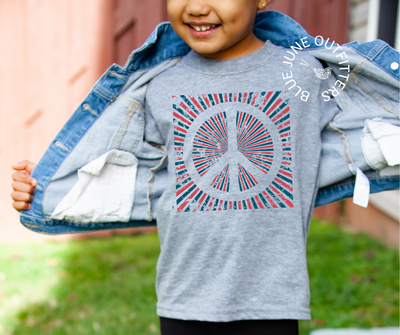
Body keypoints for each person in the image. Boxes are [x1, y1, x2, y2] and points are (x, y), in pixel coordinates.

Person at [10, 1, 399, 334]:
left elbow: (361, 130)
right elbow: (126, 167)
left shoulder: (303, 73)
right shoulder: (159, 84)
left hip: (273, 297)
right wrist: (46, 183)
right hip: (183, 296)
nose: (196, 6)